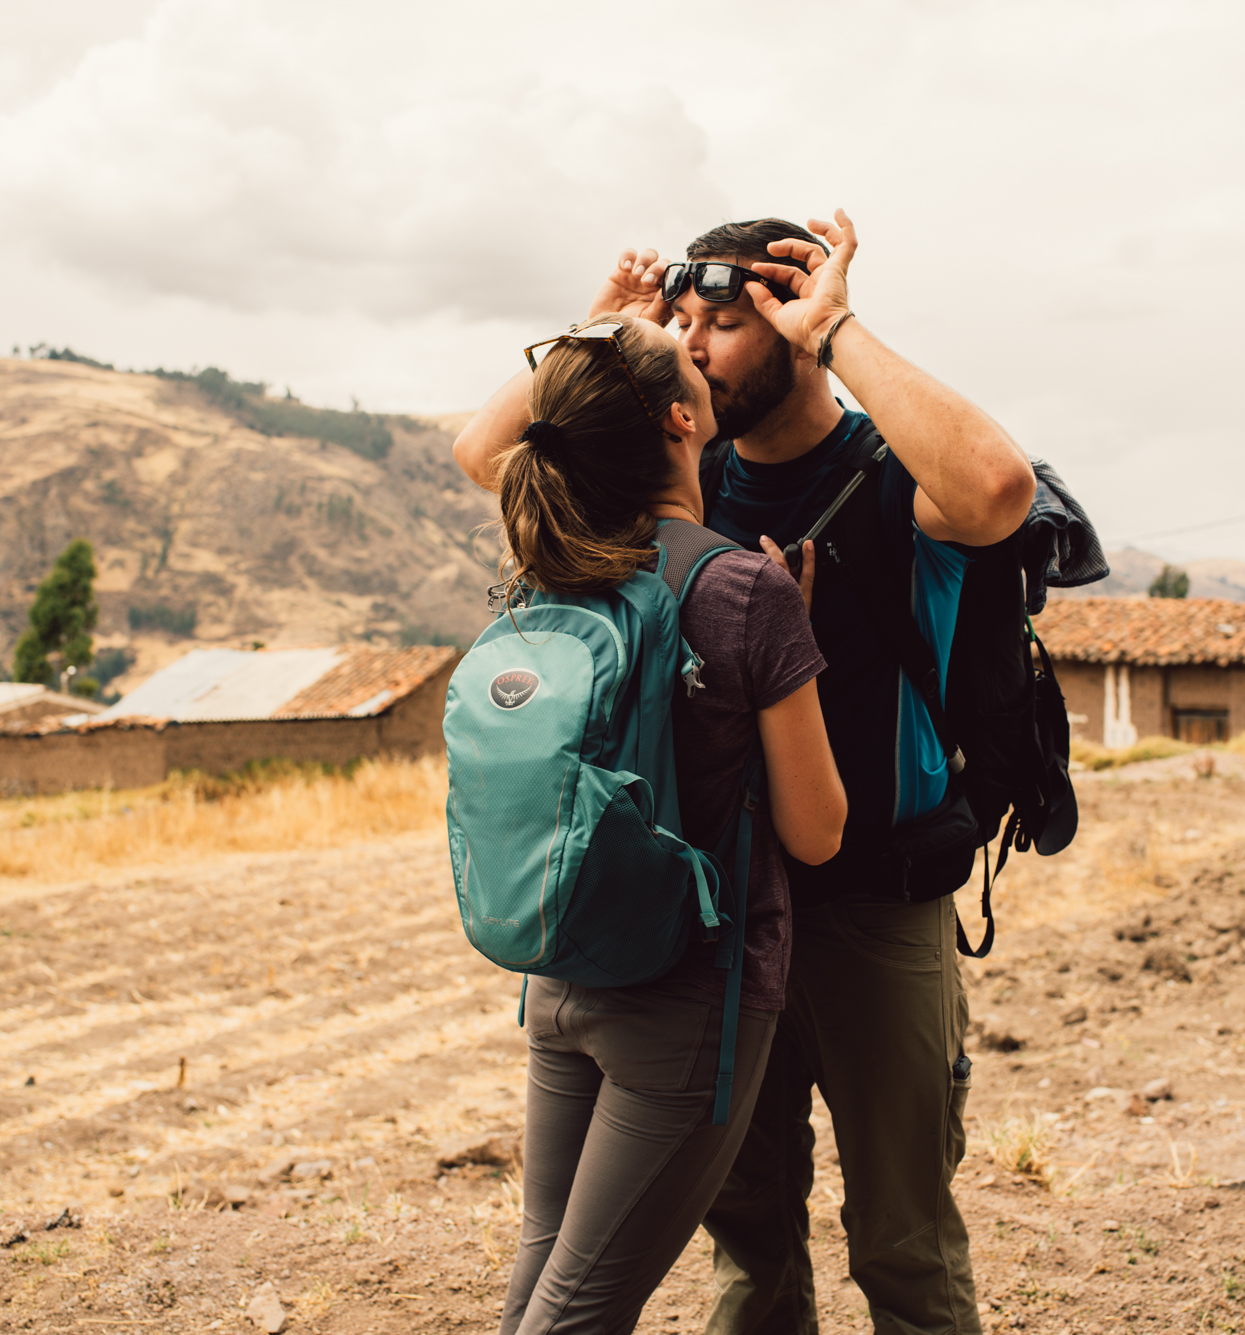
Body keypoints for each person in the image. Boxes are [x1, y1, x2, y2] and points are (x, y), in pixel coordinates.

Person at [455, 212, 1038, 1335]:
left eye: (726, 321)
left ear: (787, 330)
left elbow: (995, 490)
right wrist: (604, 331)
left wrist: (837, 328)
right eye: (687, 326)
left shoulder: (885, 473)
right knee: (748, 1248)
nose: (699, 343)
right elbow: (494, 457)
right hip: (719, 926)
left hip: (874, 909)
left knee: (903, 1250)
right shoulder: (681, 474)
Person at [463, 308, 848, 1335]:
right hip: (683, 1008)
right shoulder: (742, 588)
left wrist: (598, 319)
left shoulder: (551, 559)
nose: (704, 353)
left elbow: (490, 444)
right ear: (682, 419)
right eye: (689, 357)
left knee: (542, 1278)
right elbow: (816, 832)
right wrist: (790, 643)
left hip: (559, 977)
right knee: (580, 1311)